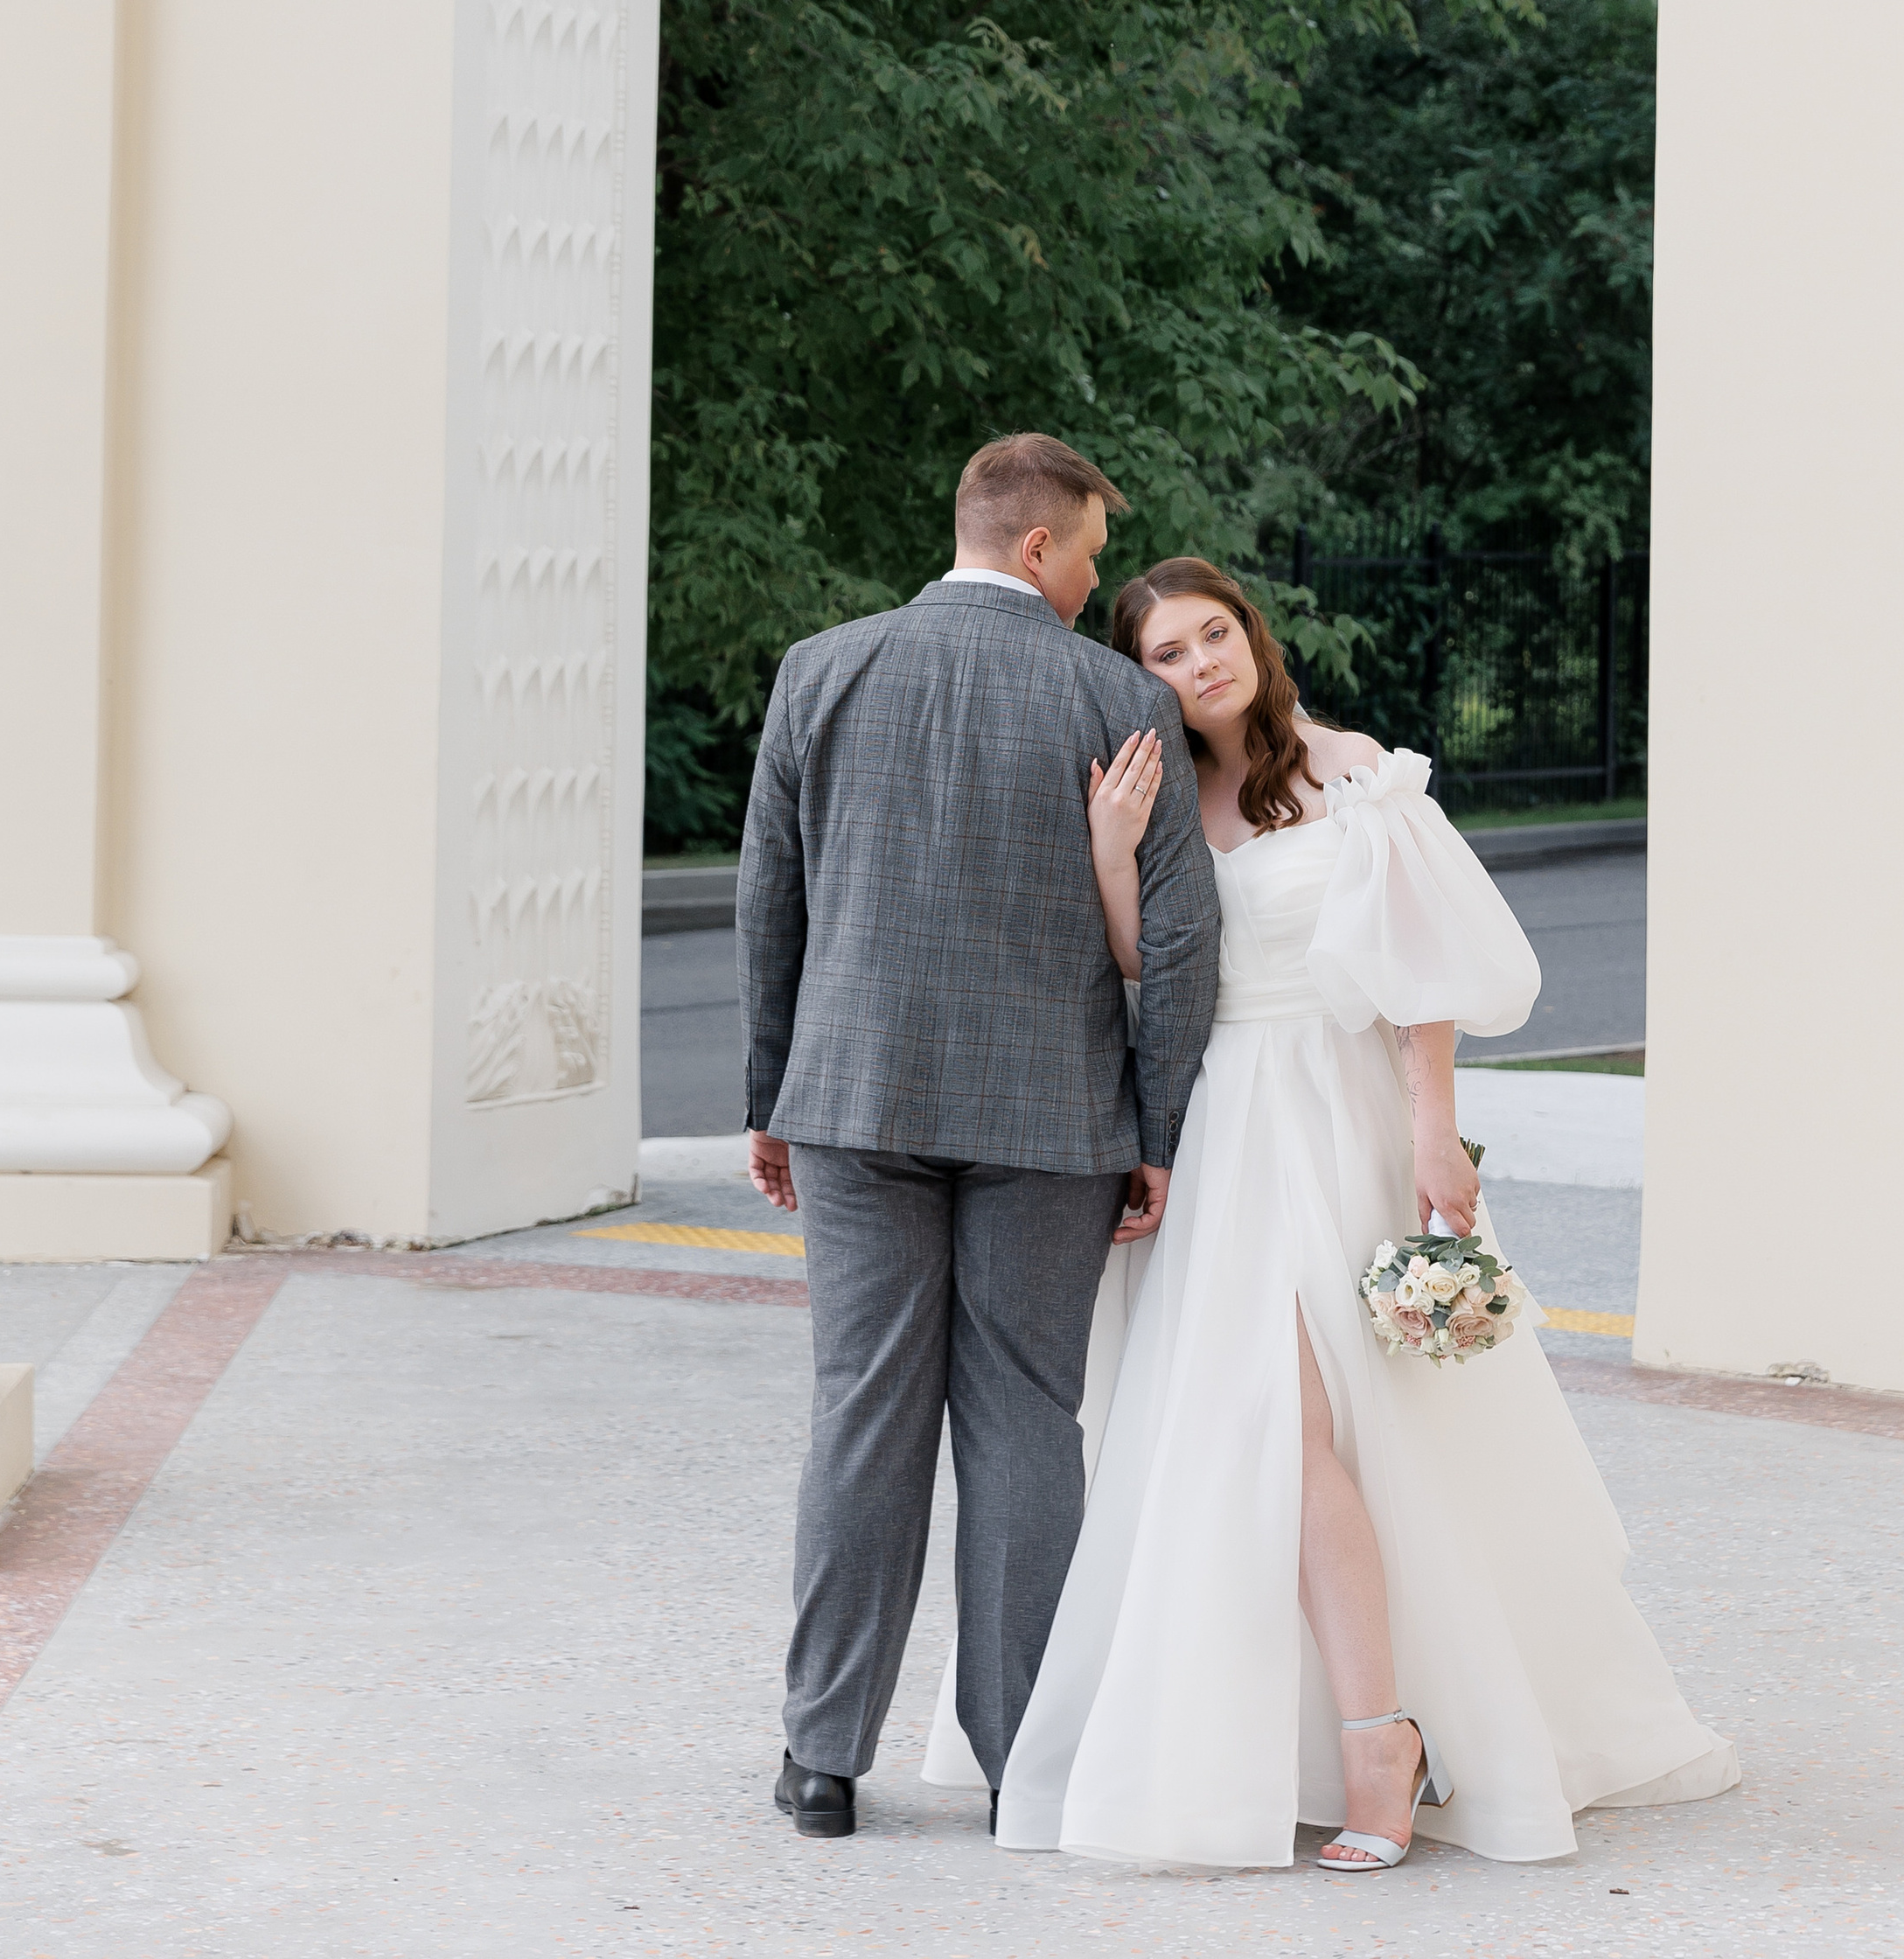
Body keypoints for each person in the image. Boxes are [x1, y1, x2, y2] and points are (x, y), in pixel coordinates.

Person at [925, 556, 1739, 1872]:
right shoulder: (1162, 791)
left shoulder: (1353, 768)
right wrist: (1113, 855)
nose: (1202, 666)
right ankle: (1354, 1738)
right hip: (1221, 1126)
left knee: (1334, 1435)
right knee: (1264, 1440)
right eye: (1171, 655)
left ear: (1253, 634)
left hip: (1339, 1117)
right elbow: (1151, 972)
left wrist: (1432, 1127)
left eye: (1214, 635)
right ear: (1148, 678)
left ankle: (1383, 1740)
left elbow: (1422, 969)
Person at [737, 441, 1223, 1841]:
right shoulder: (1114, 697)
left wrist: (774, 1093)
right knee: (1022, 1416)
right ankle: (1026, 1763)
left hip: (855, 1099)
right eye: (1083, 556)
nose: (1091, 581)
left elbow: (774, 907)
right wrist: (1156, 1123)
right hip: (1052, 1116)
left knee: (862, 1407)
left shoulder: (820, 673)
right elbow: (1177, 943)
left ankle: (821, 1759)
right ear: (1033, 549)